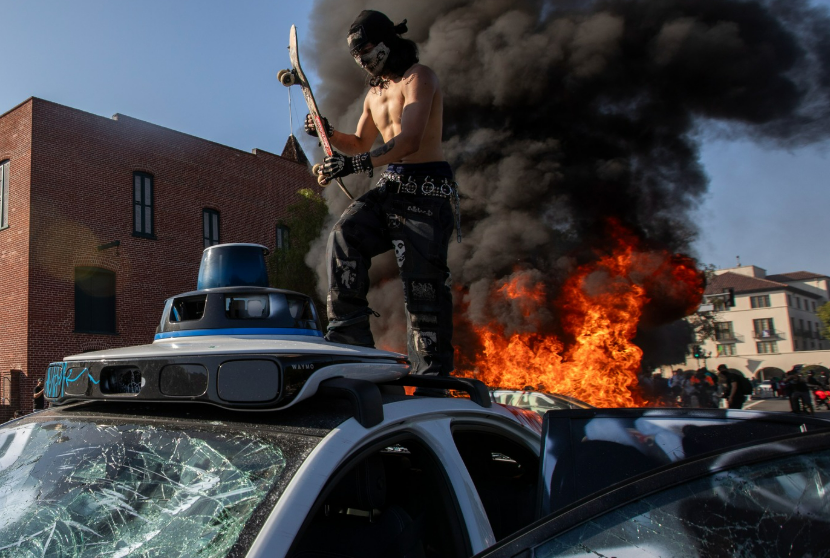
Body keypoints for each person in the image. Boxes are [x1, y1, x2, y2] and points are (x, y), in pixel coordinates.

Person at [310, 10, 460, 376]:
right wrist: (326, 132)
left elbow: (408, 140)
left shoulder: (418, 78)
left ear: (387, 41)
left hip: (427, 189)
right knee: (346, 234)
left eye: (366, 49)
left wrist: (354, 165)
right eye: (356, 54)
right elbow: (360, 141)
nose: (362, 59)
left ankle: (431, 373)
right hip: (391, 184)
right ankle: (349, 336)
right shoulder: (373, 94)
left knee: (422, 285)